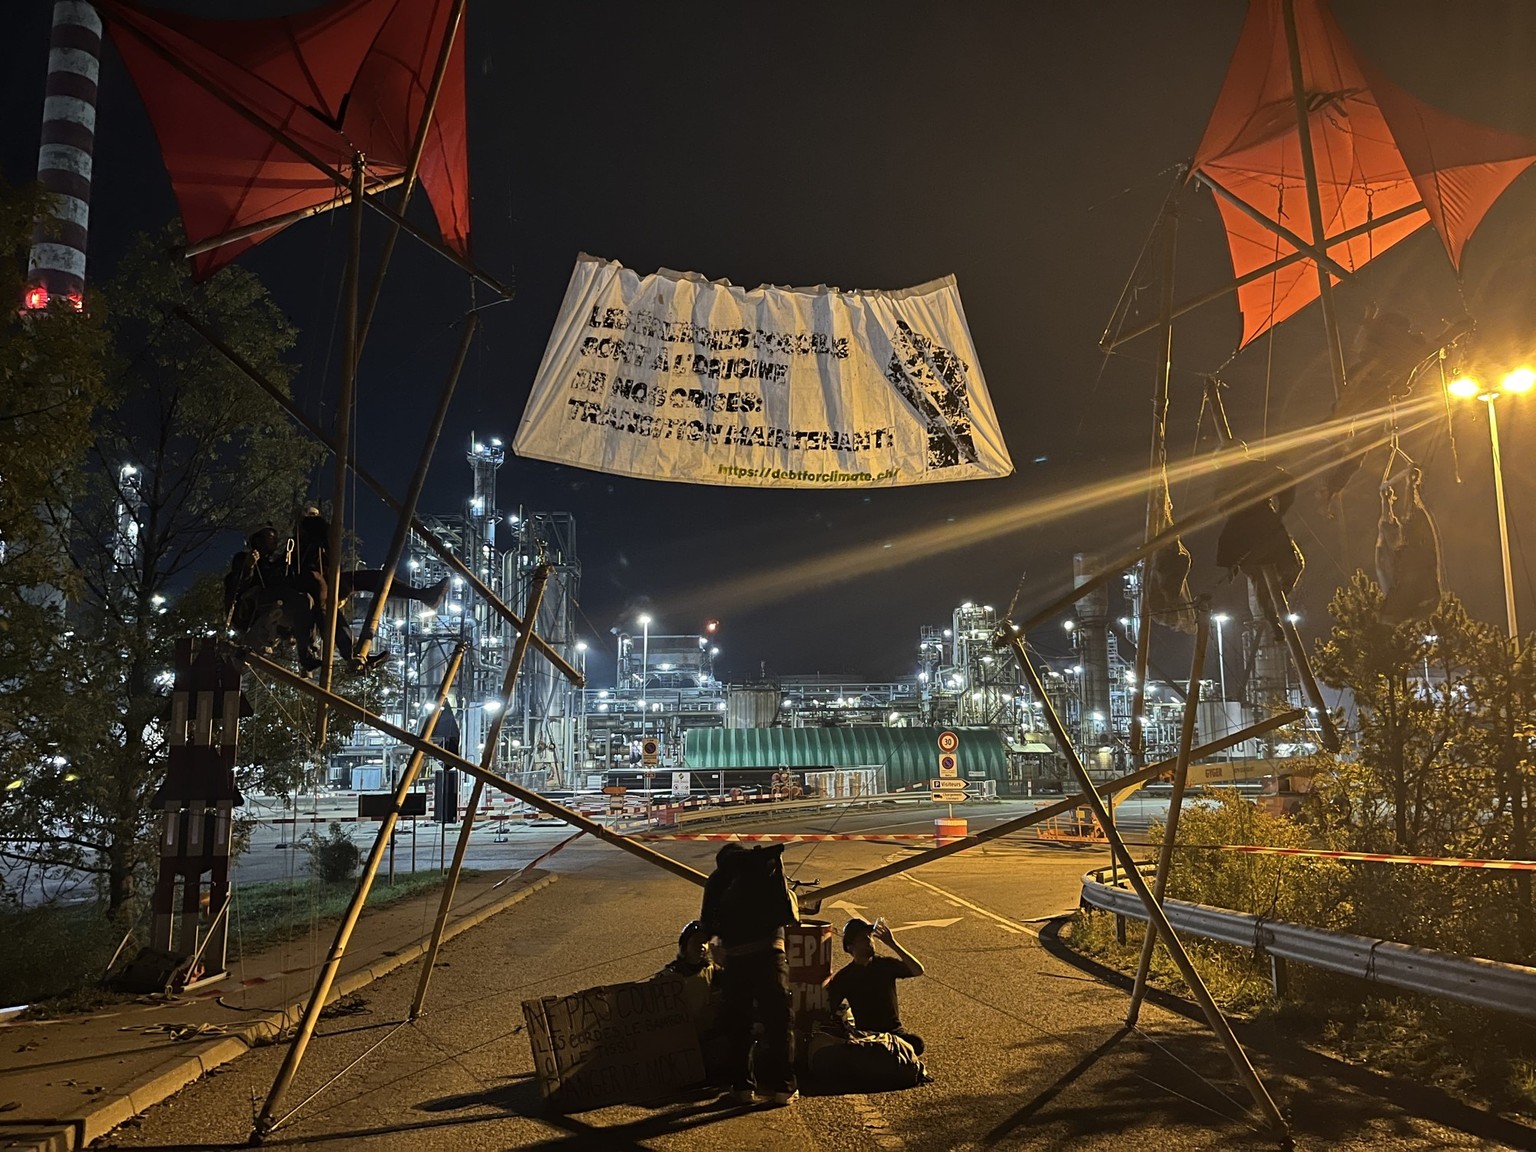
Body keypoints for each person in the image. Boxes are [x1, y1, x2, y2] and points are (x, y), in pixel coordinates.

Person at [698, 843, 800, 1106]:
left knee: (738, 1025)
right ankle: (784, 1088)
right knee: (778, 1022)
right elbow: (787, 913)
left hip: (736, 960)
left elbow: (707, 926)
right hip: (770, 954)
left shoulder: (718, 879)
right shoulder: (766, 867)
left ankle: (742, 1087)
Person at [827, 917, 926, 1056]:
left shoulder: (884, 965)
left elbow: (918, 970)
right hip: (868, 1036)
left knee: (916, 1043)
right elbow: (830, 1008)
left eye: (870, 937)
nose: (870, 942)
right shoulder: (845, 977)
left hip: (894, 1034)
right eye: (863, 939)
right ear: (850, 947)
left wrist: (892, 943)